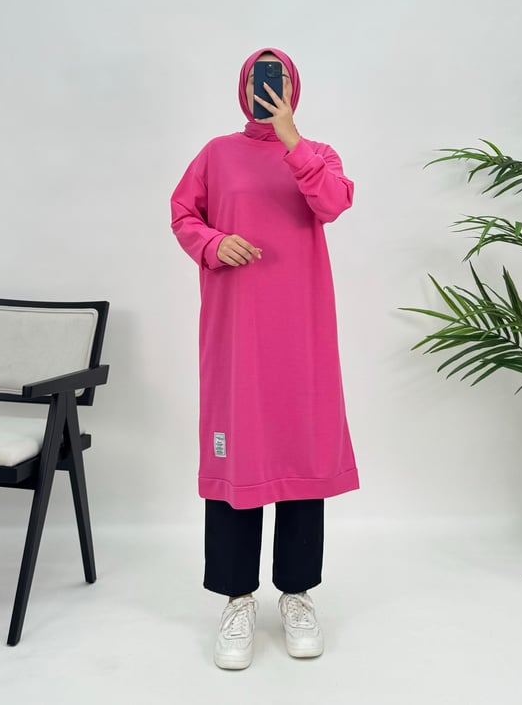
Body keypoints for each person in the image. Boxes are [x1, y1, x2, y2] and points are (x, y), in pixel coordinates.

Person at [170, 46, 360, 670]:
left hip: (302, 332)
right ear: (242, 86)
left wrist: (290, 138)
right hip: (236, 334)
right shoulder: (216, 153)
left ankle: (297, 594)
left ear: (293, 88)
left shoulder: (317, 153)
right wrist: (212, 243)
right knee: (239, 452)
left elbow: (332, 203)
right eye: (257, 79)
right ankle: (237, 599)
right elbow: (182, 213)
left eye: (275, 80)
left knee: (301, 448)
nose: (266, 88)